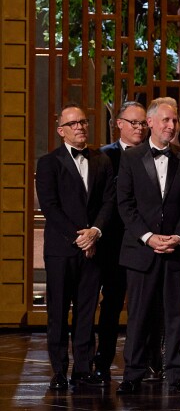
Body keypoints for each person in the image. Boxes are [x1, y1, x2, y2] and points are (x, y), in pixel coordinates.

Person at [116, 98, 180, 395]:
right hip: (141, 251)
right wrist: (148, 237)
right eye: (166, 120)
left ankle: (176, 373)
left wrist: (177, 237)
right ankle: (133, 372)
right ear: (150, 122)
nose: (172, 125)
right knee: (138, 314)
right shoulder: (131, 157)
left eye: (175, 120)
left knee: (175, 314)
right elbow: (124, 205)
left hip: (175, 249)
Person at [36, 104, 115, 391]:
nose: (80, 127)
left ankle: (82, 368)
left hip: (93, 248)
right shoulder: (48, 163)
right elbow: (50, 207)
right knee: (57, 312)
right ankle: (59, 370)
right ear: (61, 131)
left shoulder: (102, 160)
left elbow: (109, 201)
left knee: (86, 311)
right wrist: (79, 237)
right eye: (74, 123)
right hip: (62, 249)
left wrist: (94, 232)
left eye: (83, 121)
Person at [93, 101, 154, 386]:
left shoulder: (154, 153)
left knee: (147, 307)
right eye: (134, 123)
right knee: (112, 305)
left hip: (147, 243)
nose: (139, 128)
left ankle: (150, 363)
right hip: (114, 245)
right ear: (119, 124)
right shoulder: (104, 157)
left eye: (143, 123)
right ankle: (102, 360)